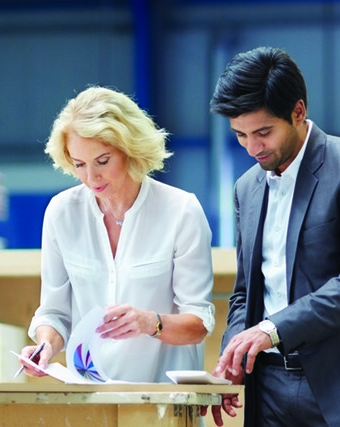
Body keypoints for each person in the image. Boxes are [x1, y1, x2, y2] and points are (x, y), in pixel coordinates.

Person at [205, 47, 340, 426]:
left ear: (298, 112)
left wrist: (272, 330)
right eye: (240, 135)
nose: (252, 148)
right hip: (267, 389)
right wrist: (233, 354)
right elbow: (244, 293)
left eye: (263, 133)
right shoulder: (245, 189)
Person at [18, 86, 215, 383]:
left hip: (163, 402)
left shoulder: (181, 210)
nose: (91, 178)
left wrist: (150, 322)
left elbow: (198, 324)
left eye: (102, 161)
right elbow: (54, 313)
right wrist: (45, 346)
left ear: (129, 149)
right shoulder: (61, 213)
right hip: (89, 401)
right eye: (79, 164)